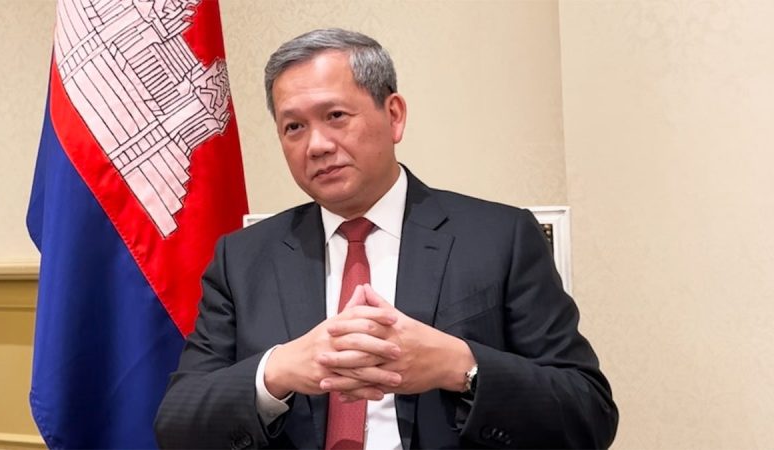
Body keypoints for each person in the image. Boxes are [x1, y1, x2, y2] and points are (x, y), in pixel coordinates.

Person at [154, 28, 618, 449]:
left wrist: (459, 366)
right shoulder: (243, 258)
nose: (316, 145)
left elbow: (589, 414)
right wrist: (277, 370)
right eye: (294, 127)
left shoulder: (500, 238)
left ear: (393, 116)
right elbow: (176, 425)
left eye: (336, 115)